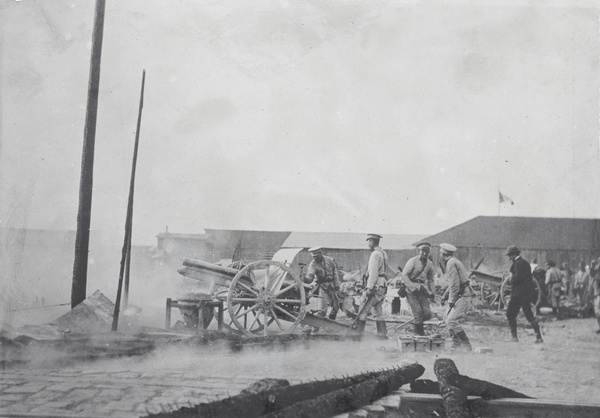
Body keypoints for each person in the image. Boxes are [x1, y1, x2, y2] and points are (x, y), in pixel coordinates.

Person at [504, 246, 543, 343]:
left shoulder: (517, 264)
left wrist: (510, 278)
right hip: (526, 294)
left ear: (514, 254)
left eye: (510, 255)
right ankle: (539, 337)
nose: (509, 258)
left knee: (510, 314)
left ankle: (514, 337)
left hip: (518, 294)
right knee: (529, 315)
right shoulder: (525, 263)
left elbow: (516, 278)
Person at [439, 243, 473, 351]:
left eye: (440, 252)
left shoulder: (450, 263)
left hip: (462, 296)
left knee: (451, 321)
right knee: (448, 318)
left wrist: (451, 300)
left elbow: (454, 283)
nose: (440, 254)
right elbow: (453, 283)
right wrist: (445, 296)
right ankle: (456, 345)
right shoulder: (453, 262)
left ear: (443, 253)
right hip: (460, 294)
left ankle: (467, 346)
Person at [355, 234, 389, 339]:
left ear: (372, 242)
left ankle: (358, 335)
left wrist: (369, 288)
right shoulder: (383, 253)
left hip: (375, 286)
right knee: (378, 311)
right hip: (382, 285)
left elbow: (373, 273)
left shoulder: (375, 254)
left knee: (363, 310)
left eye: (368, 242)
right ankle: (382, 335)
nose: (368, 244)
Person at [401, 242, 436, 336]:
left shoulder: (430, 264)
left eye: (427, 251)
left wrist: (432, 293)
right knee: (418, 312)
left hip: (422, 290)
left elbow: (431, 280)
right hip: (410, 290)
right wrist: (412, 288)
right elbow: (404, 275)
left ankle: (417, 323)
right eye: (423, 251)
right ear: (419, 251)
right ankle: (419, 334)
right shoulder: (412, 261)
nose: (424, 253)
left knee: (428, 313)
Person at [305, 247, 341, 333]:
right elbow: (310, 277)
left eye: (316, 256)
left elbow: (335, 273)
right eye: (313, 256)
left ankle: (331, 326)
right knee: (322, 310)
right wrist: (305, 278)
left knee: (336, 307)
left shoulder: (330, 260)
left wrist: (337, 285)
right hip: (323, 287)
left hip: (332, 286)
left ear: (321, 253)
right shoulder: (312, 264)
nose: (315, 258)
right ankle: (315, 330)